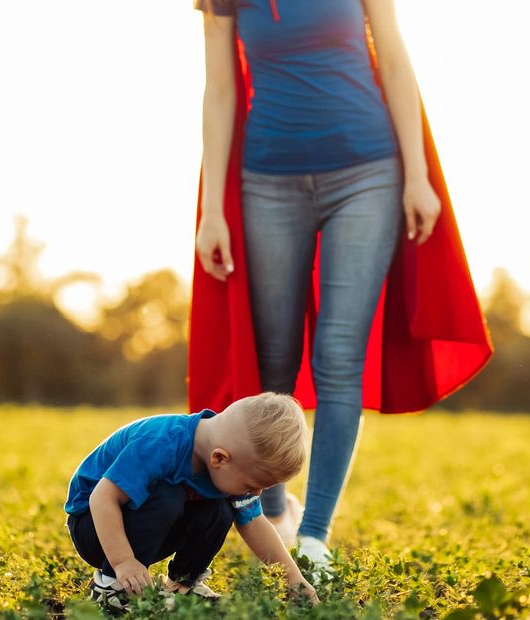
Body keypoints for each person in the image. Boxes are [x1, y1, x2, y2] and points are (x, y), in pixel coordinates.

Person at [191, 0, 493, 573]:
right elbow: (220, 91)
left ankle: (314, 536)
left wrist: (419, 175)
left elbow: (396, 59)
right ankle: (276, 511)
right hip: (266, 181)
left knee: (338, 352)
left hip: (368, 172)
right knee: (273, 360)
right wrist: (212, 211)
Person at [64, 392, 319, 613]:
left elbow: (253, 522)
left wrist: (295, 580)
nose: (257, 492)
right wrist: (122, 562)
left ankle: (182, 586)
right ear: (220, 458)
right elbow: (102, 498)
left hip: (143, 529)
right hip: (95, 527)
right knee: (169, 496)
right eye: (252, 485)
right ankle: (110, 589)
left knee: (219, 509)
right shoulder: (161, 442)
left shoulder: (230, 461)